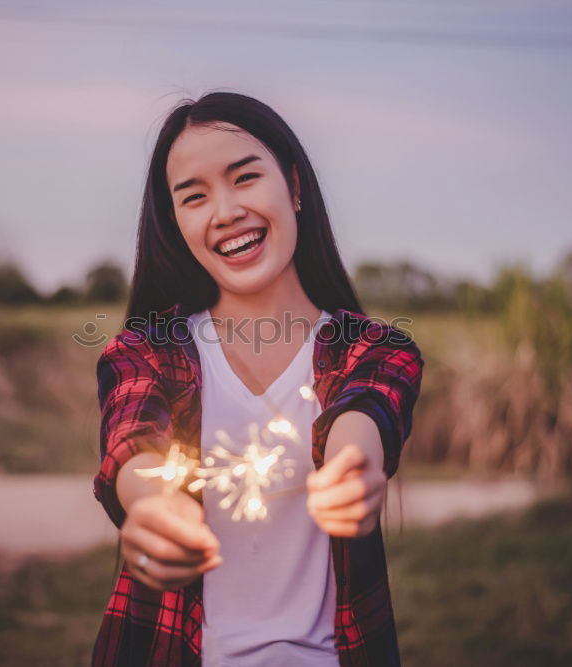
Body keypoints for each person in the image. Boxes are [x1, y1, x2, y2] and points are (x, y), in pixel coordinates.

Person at [91, 91, 424, 666]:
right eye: (194, 197)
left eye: (244, 178)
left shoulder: (374, 348)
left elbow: (363, 413)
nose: (224, 212)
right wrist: (150, 504)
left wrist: (354, 466)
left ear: (293, 187)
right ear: (177, 224)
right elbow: (135, 440)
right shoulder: (147, 350)